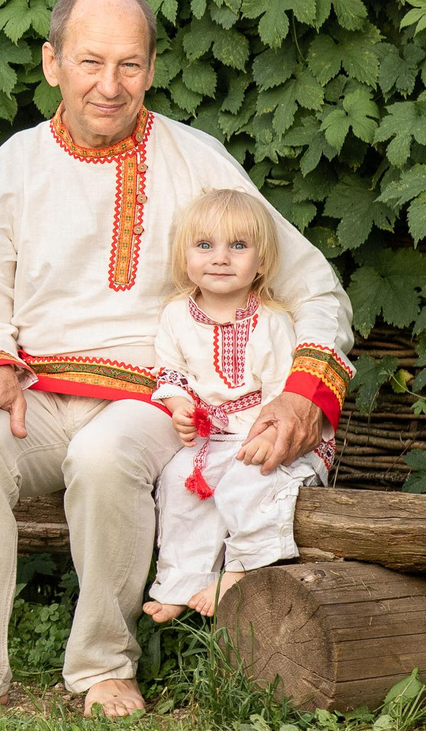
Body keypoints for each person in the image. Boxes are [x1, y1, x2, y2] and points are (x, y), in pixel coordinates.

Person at [0, 0, 354, 716]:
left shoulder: (194, 158)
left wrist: (299, 391)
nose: (110, 84)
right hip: (35, 394)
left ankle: (103, 666)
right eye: (90, 61)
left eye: (129, 64)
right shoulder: (13, 166)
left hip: (159, 398)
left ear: (152, 70)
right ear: (52, 63)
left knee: (104, 457)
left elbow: (312, 285)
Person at [141, 187, 334, 623]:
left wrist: (268, 438)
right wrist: (180, 407)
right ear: (184, 257)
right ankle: (181, 582)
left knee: (247, 482)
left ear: (261, 262)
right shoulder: (176, 316)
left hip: (270, 437)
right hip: (215, 436)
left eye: (239, 246)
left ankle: (242, 568)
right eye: (205, 245)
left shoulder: (271, 321)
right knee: (178, 481)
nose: (221, 258)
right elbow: (170, 371)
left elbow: (283, 397)